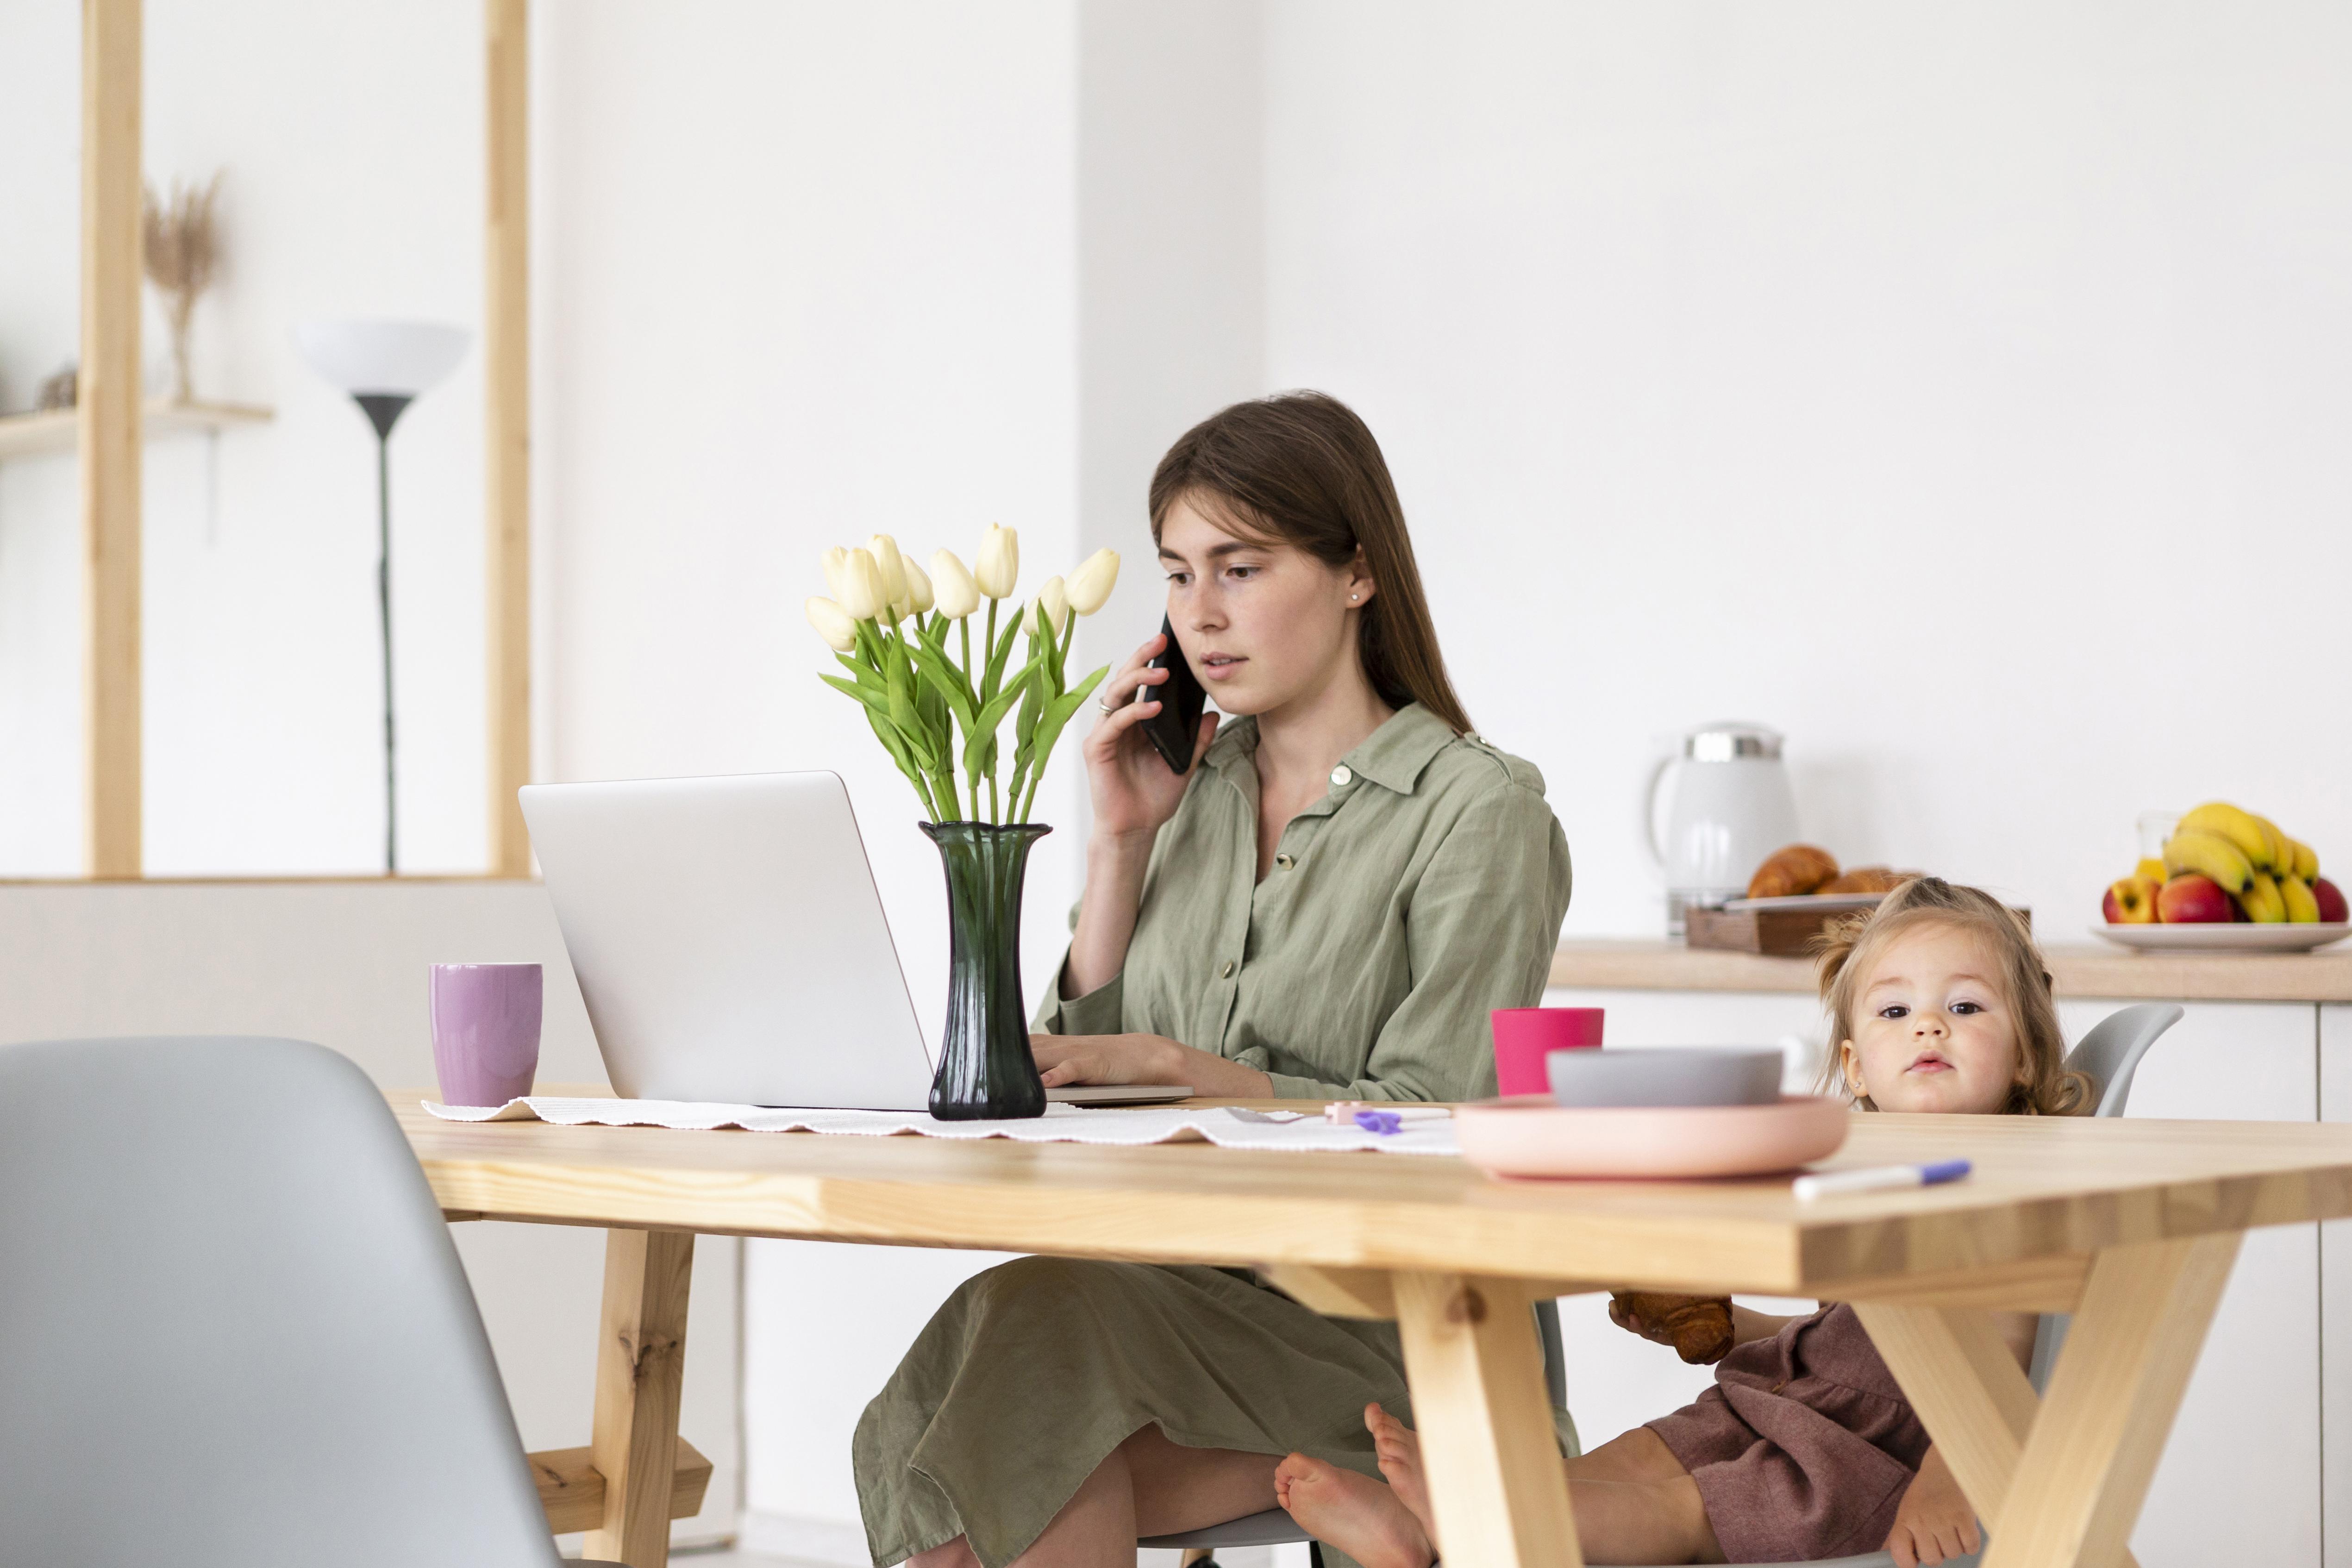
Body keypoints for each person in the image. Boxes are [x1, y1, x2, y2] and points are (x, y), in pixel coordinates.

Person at [853, 391, 1574, 1568]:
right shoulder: (1186, 785)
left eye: (1239, 567)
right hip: (1169, 1308)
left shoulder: (1475, 809)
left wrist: (1191, 1072)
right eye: (1177, 575)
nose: (1200, 613)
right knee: (960, 1412)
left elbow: (1443, 1121)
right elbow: (1068, 1064)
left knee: (1027, 1339)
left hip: (1385, 1334)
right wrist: (1121, 840)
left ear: (1355, 572)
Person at [1271, 877, 2092, 1568]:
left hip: (1874, 1451)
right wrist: (1731, 1321)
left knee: (1679, 1512)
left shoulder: (2011, 1174)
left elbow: (2005, 1343)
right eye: (1893, 1012)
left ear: (2025, 1051)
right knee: (1632, 1459)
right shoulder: (1876, 1161)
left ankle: (1452, 1531)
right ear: (1855, 1066)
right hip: (1788, 1393)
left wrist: (1957, 1475)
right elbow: (1855, 1329)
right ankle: (1432, 1528)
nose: (1928, 1024)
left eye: (1966, 1006)